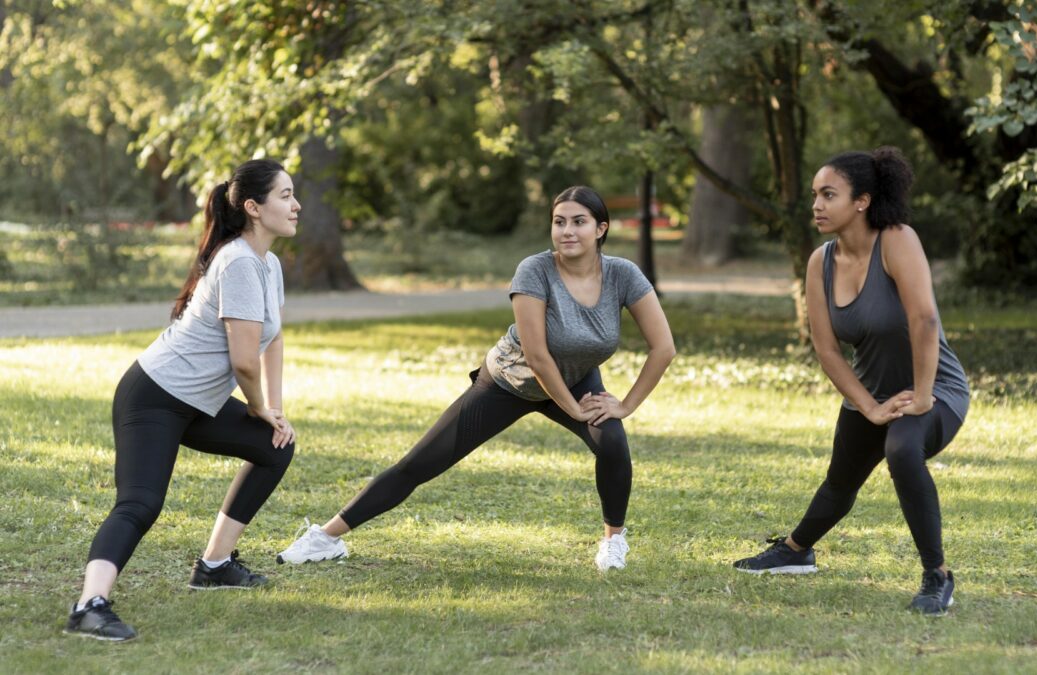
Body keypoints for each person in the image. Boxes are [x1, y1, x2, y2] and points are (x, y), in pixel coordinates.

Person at [278, 185, 675, 571]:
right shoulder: (535, 270)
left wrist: (624, 405)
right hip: (509, 380)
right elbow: (537, 355)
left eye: (579, 222)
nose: (567, 231)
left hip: (575, 378)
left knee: (613, 444)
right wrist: (573, 408)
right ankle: (326, 537)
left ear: (601, 229)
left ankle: (613, 541)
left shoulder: (622, 275)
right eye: (558, 222)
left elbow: (663, 348)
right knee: (420, 464)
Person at [64, 159, 300, 641]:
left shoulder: (267, 263)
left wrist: (274, 409)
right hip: (154, 396)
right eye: (285, 195)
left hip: (196, 402)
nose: (296, 206)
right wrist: (256, 405)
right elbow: (244, 361)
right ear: (253, 208)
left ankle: (214, 566)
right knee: (140, 503)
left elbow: (271, 340)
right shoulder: (236, 262)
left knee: (275, 445)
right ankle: (89, 605)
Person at [733, 147, 969, 617]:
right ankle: (796, 550)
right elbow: (826, 348)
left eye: (828, 195)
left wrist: (922, 398)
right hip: (872, 390)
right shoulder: (820, 262)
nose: (816, 205)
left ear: (861, 201)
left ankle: (937, 576)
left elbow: (924, 320)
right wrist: (870, 406)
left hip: (936, 388)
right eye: (815, 195)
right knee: (839, 483)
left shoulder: (897, 240)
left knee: (902, 450)